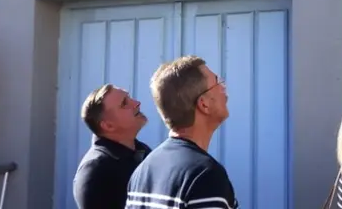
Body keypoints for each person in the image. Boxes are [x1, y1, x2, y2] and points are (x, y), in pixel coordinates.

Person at [126, 55, 238, 209]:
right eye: (217, 81)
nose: (223, 87)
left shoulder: (143, 171)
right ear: (203, 104)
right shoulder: (205, 176)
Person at [72, 84, 151, 209]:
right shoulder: (96, 170)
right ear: (108, 126)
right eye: (124, 103)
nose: (136, 103)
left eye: (129, 97)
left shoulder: (144, 152)